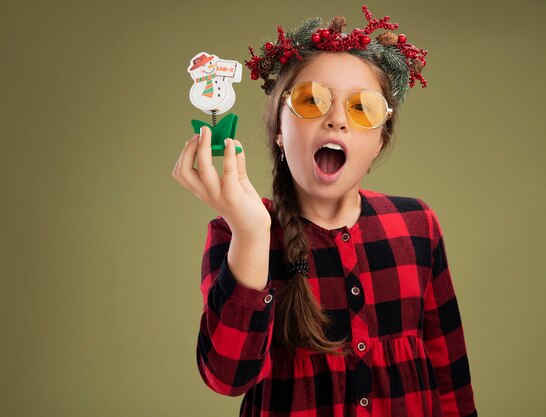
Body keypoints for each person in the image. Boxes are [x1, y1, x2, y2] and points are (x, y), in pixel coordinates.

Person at [172, 6, 477, 417]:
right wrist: (251, 233)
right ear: (280, 130)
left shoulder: (417, 226)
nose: (336, 120)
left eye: (361, 108)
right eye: (312, 101)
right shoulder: (237, 235)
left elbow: (449, 374)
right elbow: (227, 377)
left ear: (379, 142)